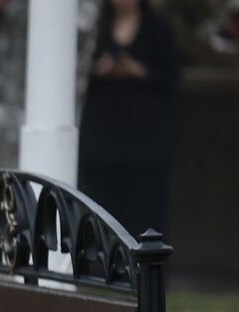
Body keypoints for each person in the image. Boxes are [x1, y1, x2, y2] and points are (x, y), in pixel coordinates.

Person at [78, 0, 179, 238]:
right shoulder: (95, 28)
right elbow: (79, 73)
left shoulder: (158, 28)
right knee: (101, 213)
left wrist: (138, 71)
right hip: (101, 142)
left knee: (143, 214)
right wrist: (99, 70)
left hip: (145, 144)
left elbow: (171, 75)